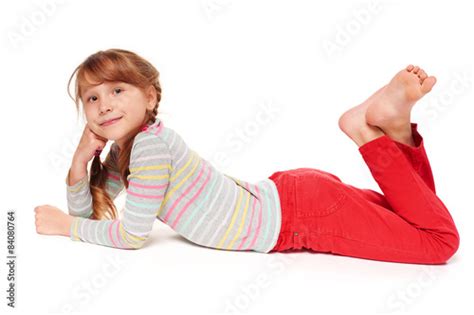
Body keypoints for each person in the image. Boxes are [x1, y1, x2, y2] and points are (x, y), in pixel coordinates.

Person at [34, 49, 460, 265]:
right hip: (293, 197)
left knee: (439, 241)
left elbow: (130, 235)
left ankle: (367, 132)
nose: (104, 105)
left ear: (149, 97)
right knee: (421, 214)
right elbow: (92, 217)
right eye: (92, 97)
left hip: (303, 218)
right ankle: (396, 129)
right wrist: (78, 163)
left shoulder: (148, 149)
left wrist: (64, 227)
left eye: (117, 90)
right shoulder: (128, 151)